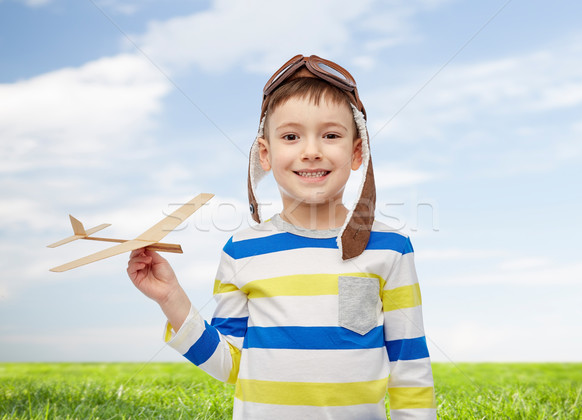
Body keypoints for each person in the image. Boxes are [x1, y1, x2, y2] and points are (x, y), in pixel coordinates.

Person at [128, 54, 436, 419]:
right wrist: (171, 298)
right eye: (291, 136)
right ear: (265, 153)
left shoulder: (390, 249)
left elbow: (409, 367)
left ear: (357, 152)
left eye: (331, 135)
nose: (310, 151)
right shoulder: (242, 251)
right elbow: (231, 366)